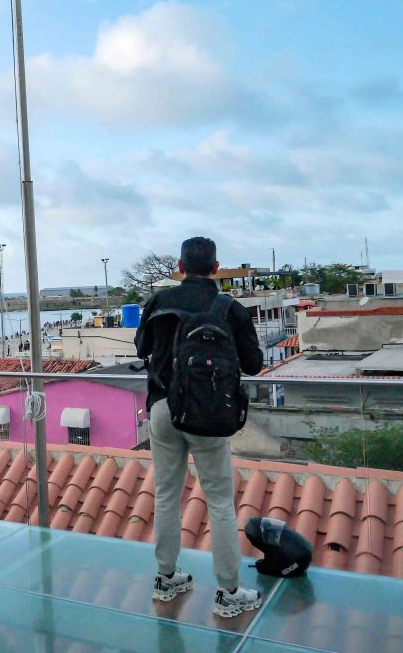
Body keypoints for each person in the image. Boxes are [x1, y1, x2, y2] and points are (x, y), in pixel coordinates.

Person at [135, 237, 265, 618]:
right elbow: (255, 364)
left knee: (165, 495)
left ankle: (167, 577)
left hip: (163, 409)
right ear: (216, 267)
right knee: (220, 503)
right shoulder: (230, 308)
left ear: (179, 266)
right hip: (209, 414)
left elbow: (141, 347)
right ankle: (228, 592)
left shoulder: (158, 302)